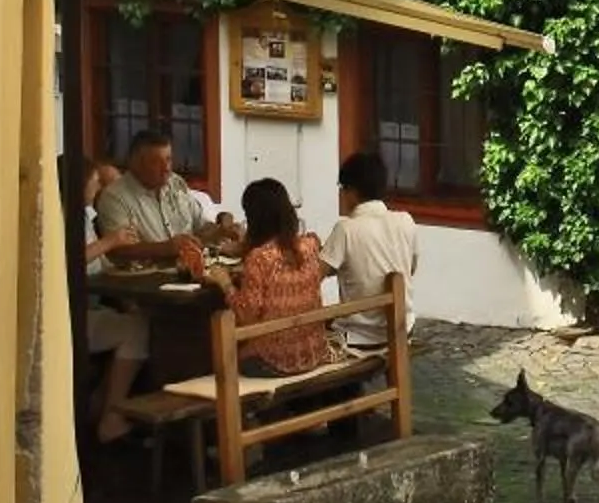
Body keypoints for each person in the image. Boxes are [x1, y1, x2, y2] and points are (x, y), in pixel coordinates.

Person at [73, 154, 150, 445]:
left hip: (95, 303)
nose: (98, 187)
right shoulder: (63, 217)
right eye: (94, 181)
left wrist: (123, 268)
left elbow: (98, 263)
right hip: (74, 314)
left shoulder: (84, 216)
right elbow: (69, 260)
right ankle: (112, 417)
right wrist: (111, 241)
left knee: (135, 317)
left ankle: (101, 405)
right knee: (135, 329)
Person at [218, 179, 332, 375]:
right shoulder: (309, 246)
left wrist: (225, 283)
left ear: (255, 219)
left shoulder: (259, 258)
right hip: (311, 352)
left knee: (219, 355)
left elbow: (246, 316)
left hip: (273, 360)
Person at [320, 149, 419, 350]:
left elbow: (313, 276)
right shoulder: (406, 221)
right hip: (402, 328)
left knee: (314, 329)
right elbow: (411, 267)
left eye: (341, 188)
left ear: (352, 192)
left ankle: (348, 383)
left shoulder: (345, 229)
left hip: (359, 337)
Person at [94, 130, 233, 270]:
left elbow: (200, 226)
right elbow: (118, 250)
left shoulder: (176, 183)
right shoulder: (114, 197)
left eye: (168, 159)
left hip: (188, 272)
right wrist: (165, 248)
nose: (166, 168)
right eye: (156, 162)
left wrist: (221, 231)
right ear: (135, 163)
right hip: (142, 282)